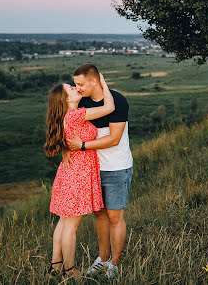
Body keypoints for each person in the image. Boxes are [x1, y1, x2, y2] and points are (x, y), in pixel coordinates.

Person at [63, 63, 132, 279]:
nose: (78, 88)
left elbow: (114, 139)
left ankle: (115, 264)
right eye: (76, 84)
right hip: (92, 169)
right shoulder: (82, 102)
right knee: (100, 215)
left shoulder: (117, 100)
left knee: (115, 217)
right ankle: (102, 260)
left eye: (81, 83)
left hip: (117, 167)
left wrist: (81, 145)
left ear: (94, 81)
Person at [44, 74, 114, 279]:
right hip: (78, 176)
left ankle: (55, 267)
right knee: (71, 227)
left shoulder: (63, 117)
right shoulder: (75, 115)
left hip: (69, 173)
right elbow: (109, 107)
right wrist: (102, 82)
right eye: (72, 89)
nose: (76, 89)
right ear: (67, 100)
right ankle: (70, 269)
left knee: (64, 223)